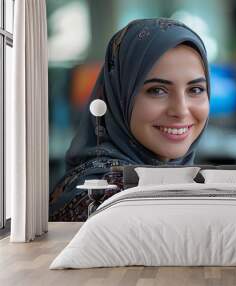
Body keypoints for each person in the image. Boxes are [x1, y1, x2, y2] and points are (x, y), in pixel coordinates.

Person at [49, 18, 210, 221]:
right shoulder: (104, 195)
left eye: (195, 89)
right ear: (119, 97)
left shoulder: (185, 182)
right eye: (157, 90)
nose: (180, 110)